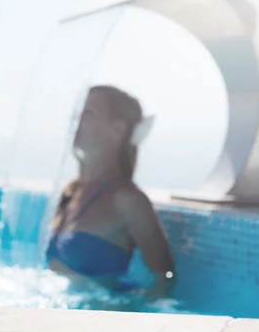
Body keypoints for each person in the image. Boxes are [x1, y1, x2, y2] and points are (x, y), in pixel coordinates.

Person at [45, 85, 175, 296]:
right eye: (76, 113)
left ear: (117, 130)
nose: (76, 120)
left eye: (88, 113)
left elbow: (165, 277)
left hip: (97, 318)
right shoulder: (71, 193)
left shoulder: (128, 201)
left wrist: (129, 309)